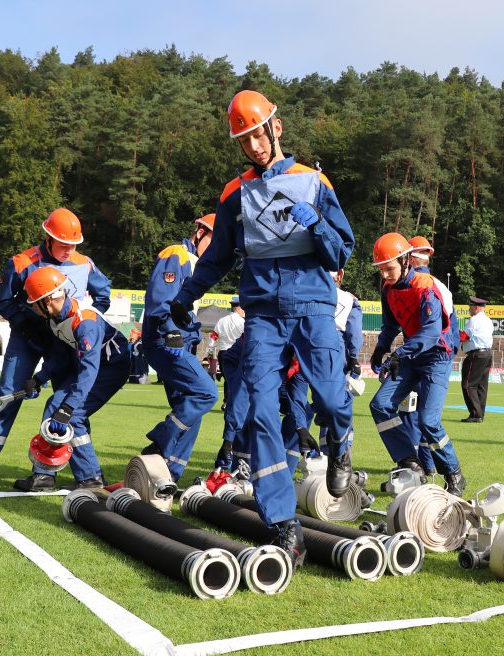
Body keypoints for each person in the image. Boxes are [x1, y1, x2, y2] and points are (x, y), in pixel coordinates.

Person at [168, 89, 355, 566]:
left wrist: (317, 227)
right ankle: (282, 523)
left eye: (258, 134)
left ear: (277, 127)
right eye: (244, 140)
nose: (253, 146)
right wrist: (184, 297)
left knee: (333, 400)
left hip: (314, 307)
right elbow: (217, 257)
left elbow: (340, 253)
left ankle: (340, 448)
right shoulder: (234, 194)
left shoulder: (314, 181)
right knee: (261, 414)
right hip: (263, 315)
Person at [0, 208, 111, 492]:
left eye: (74, 245)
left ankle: (52, 474)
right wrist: (26, 324)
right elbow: (2, 299)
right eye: (63, 244)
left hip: (66, 342)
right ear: (47, 237)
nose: (69, 250)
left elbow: (103, 296)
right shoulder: (22, 262)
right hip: (27, 338)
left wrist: (83, 321)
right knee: (8, 397)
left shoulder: (85, 264)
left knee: (66, 405)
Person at [13, 266, 131, 491]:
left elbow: (89, 370)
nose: (33, 310)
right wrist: (39, 378)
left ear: (47, 301)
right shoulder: (56, 318)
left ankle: (91, 479)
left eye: (34, 303)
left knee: (72, 415)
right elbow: (60, 356)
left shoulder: (85, 323)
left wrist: (69, 407)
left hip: (111, 368)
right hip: (95, 366)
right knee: (54, 406)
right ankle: (45, 475)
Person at [369, 233, 466, 496]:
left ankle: (454, 474)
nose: (385, 275)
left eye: (389, 268)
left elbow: (431, 332)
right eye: (381, 270)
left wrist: (399, 354)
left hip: (437, 354)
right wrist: (381, 348)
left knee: (428, 420)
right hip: (413, 353)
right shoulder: (388, 289)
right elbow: (390, 325)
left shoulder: (426, 285)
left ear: (405, 261)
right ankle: (409, 463)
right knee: (380, 405)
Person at [139, 214, 219, 483]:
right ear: (199, 233)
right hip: (167, 341)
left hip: (179, 342)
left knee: (190, 408)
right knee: (207, 393)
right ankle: (159, 442)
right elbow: (160, 298)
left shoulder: (197, 263)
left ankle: (169, 475)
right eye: (215, 240)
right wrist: (172, 331)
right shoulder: (177, 254)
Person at [406, 236, 460, 472]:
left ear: (409, 258)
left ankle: (424, 464)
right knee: (423, 415)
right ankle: (424, 464)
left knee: (416, 415)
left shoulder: (421, 285)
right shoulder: (440, 285)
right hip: (434, 354)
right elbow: (453, 331)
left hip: (425, 354)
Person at [460, 296, 494, 423]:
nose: (469, 309)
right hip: (487, 353)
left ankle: (475, 414)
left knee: (468, 385)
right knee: (482, 386)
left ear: (476, 307)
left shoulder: (474, 320)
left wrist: (454, 334)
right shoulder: (488, 320)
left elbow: (465, 336)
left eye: (470, 306)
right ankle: (480, 414)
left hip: (476, 354)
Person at [213, 297, 245, 409]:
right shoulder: (243, 322)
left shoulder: (221, 321)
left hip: (222, 352)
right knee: (240, 378)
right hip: (237, 352)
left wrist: (210, 353)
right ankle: (236, 402)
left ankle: (227, 402)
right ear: (239, 308)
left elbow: (213, 337)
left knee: (227, 378)